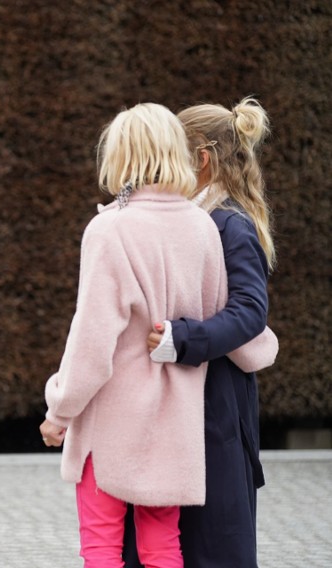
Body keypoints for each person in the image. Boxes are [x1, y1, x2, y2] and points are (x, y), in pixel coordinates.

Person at [38, 102, 275, 567]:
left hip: (114, 422)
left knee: (103, 546)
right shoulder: (203, 226)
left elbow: (92, 338)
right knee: (164, 545)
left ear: (121, 156)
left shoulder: (109, 228)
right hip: (178, 421)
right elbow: (236, 319)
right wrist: (261, 345)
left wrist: (60, 408)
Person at [127, 97, 275, 568]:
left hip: (217, 407)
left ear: (201, 160)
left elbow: (251, 310)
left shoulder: (229, 223)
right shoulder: (188, 218)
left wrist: (183, 339)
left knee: (212, 546)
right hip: (184, 402)